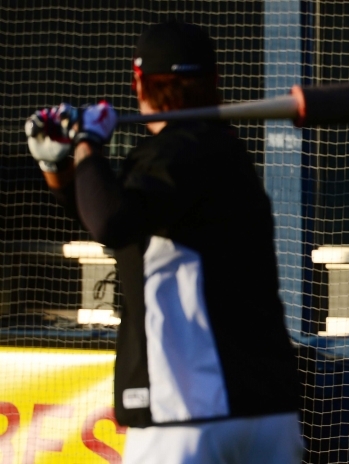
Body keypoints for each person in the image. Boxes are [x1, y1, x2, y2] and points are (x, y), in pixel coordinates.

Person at [25, 21, 304, 464]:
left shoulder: (174, 153)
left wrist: (88, 145)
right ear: (214, 82)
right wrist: (60, 167)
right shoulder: (224, 153)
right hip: (267, 411)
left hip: (189, 411)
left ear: (139, 83)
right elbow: (118, 219)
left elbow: (112, 222)